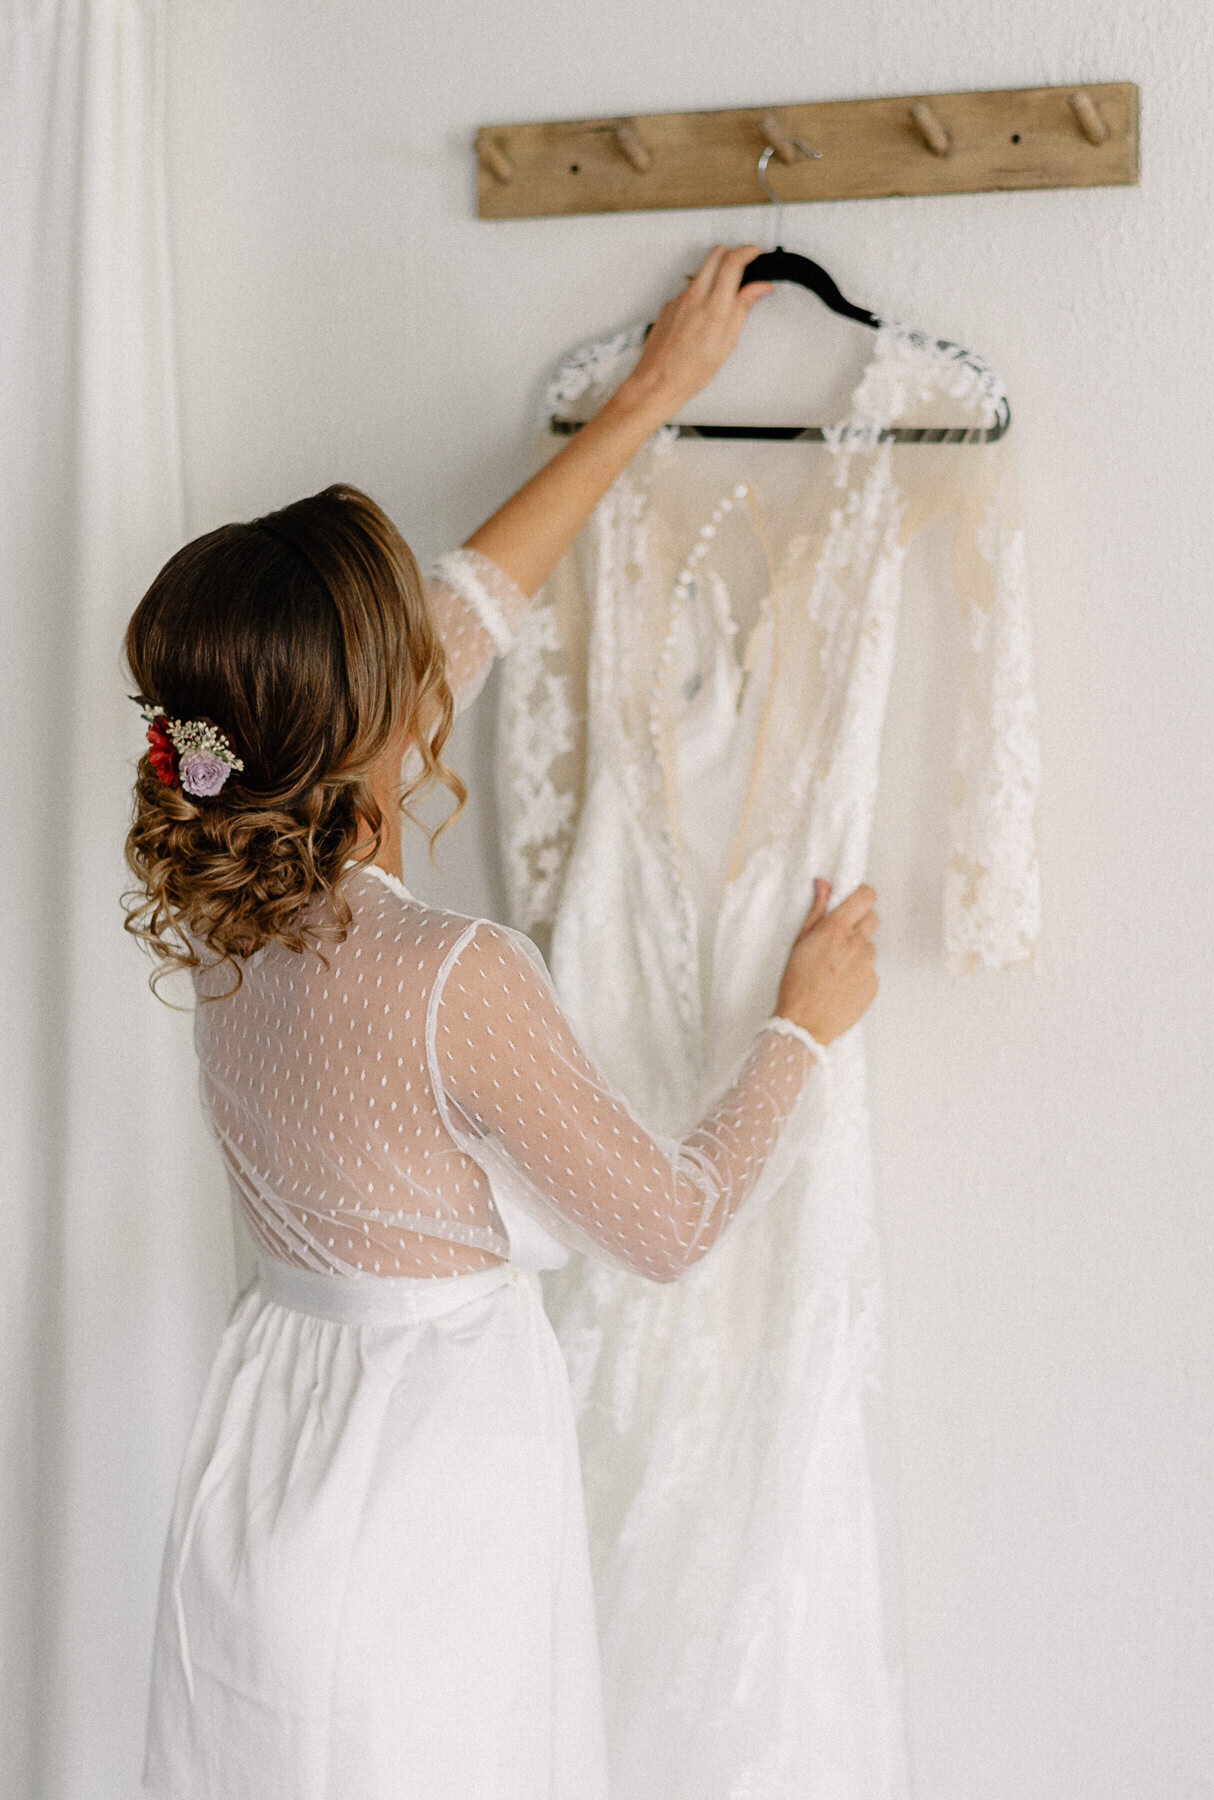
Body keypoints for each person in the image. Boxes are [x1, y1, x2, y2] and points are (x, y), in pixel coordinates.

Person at [125, 245, 880, 1800]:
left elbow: (467, 609)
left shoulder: (228, 881)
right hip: (415, 1519)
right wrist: (804, 1026)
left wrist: (645, 403)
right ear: (396, 719)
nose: (441, 644)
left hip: (261, 1484)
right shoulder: (453, 976)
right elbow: (670, 1227)